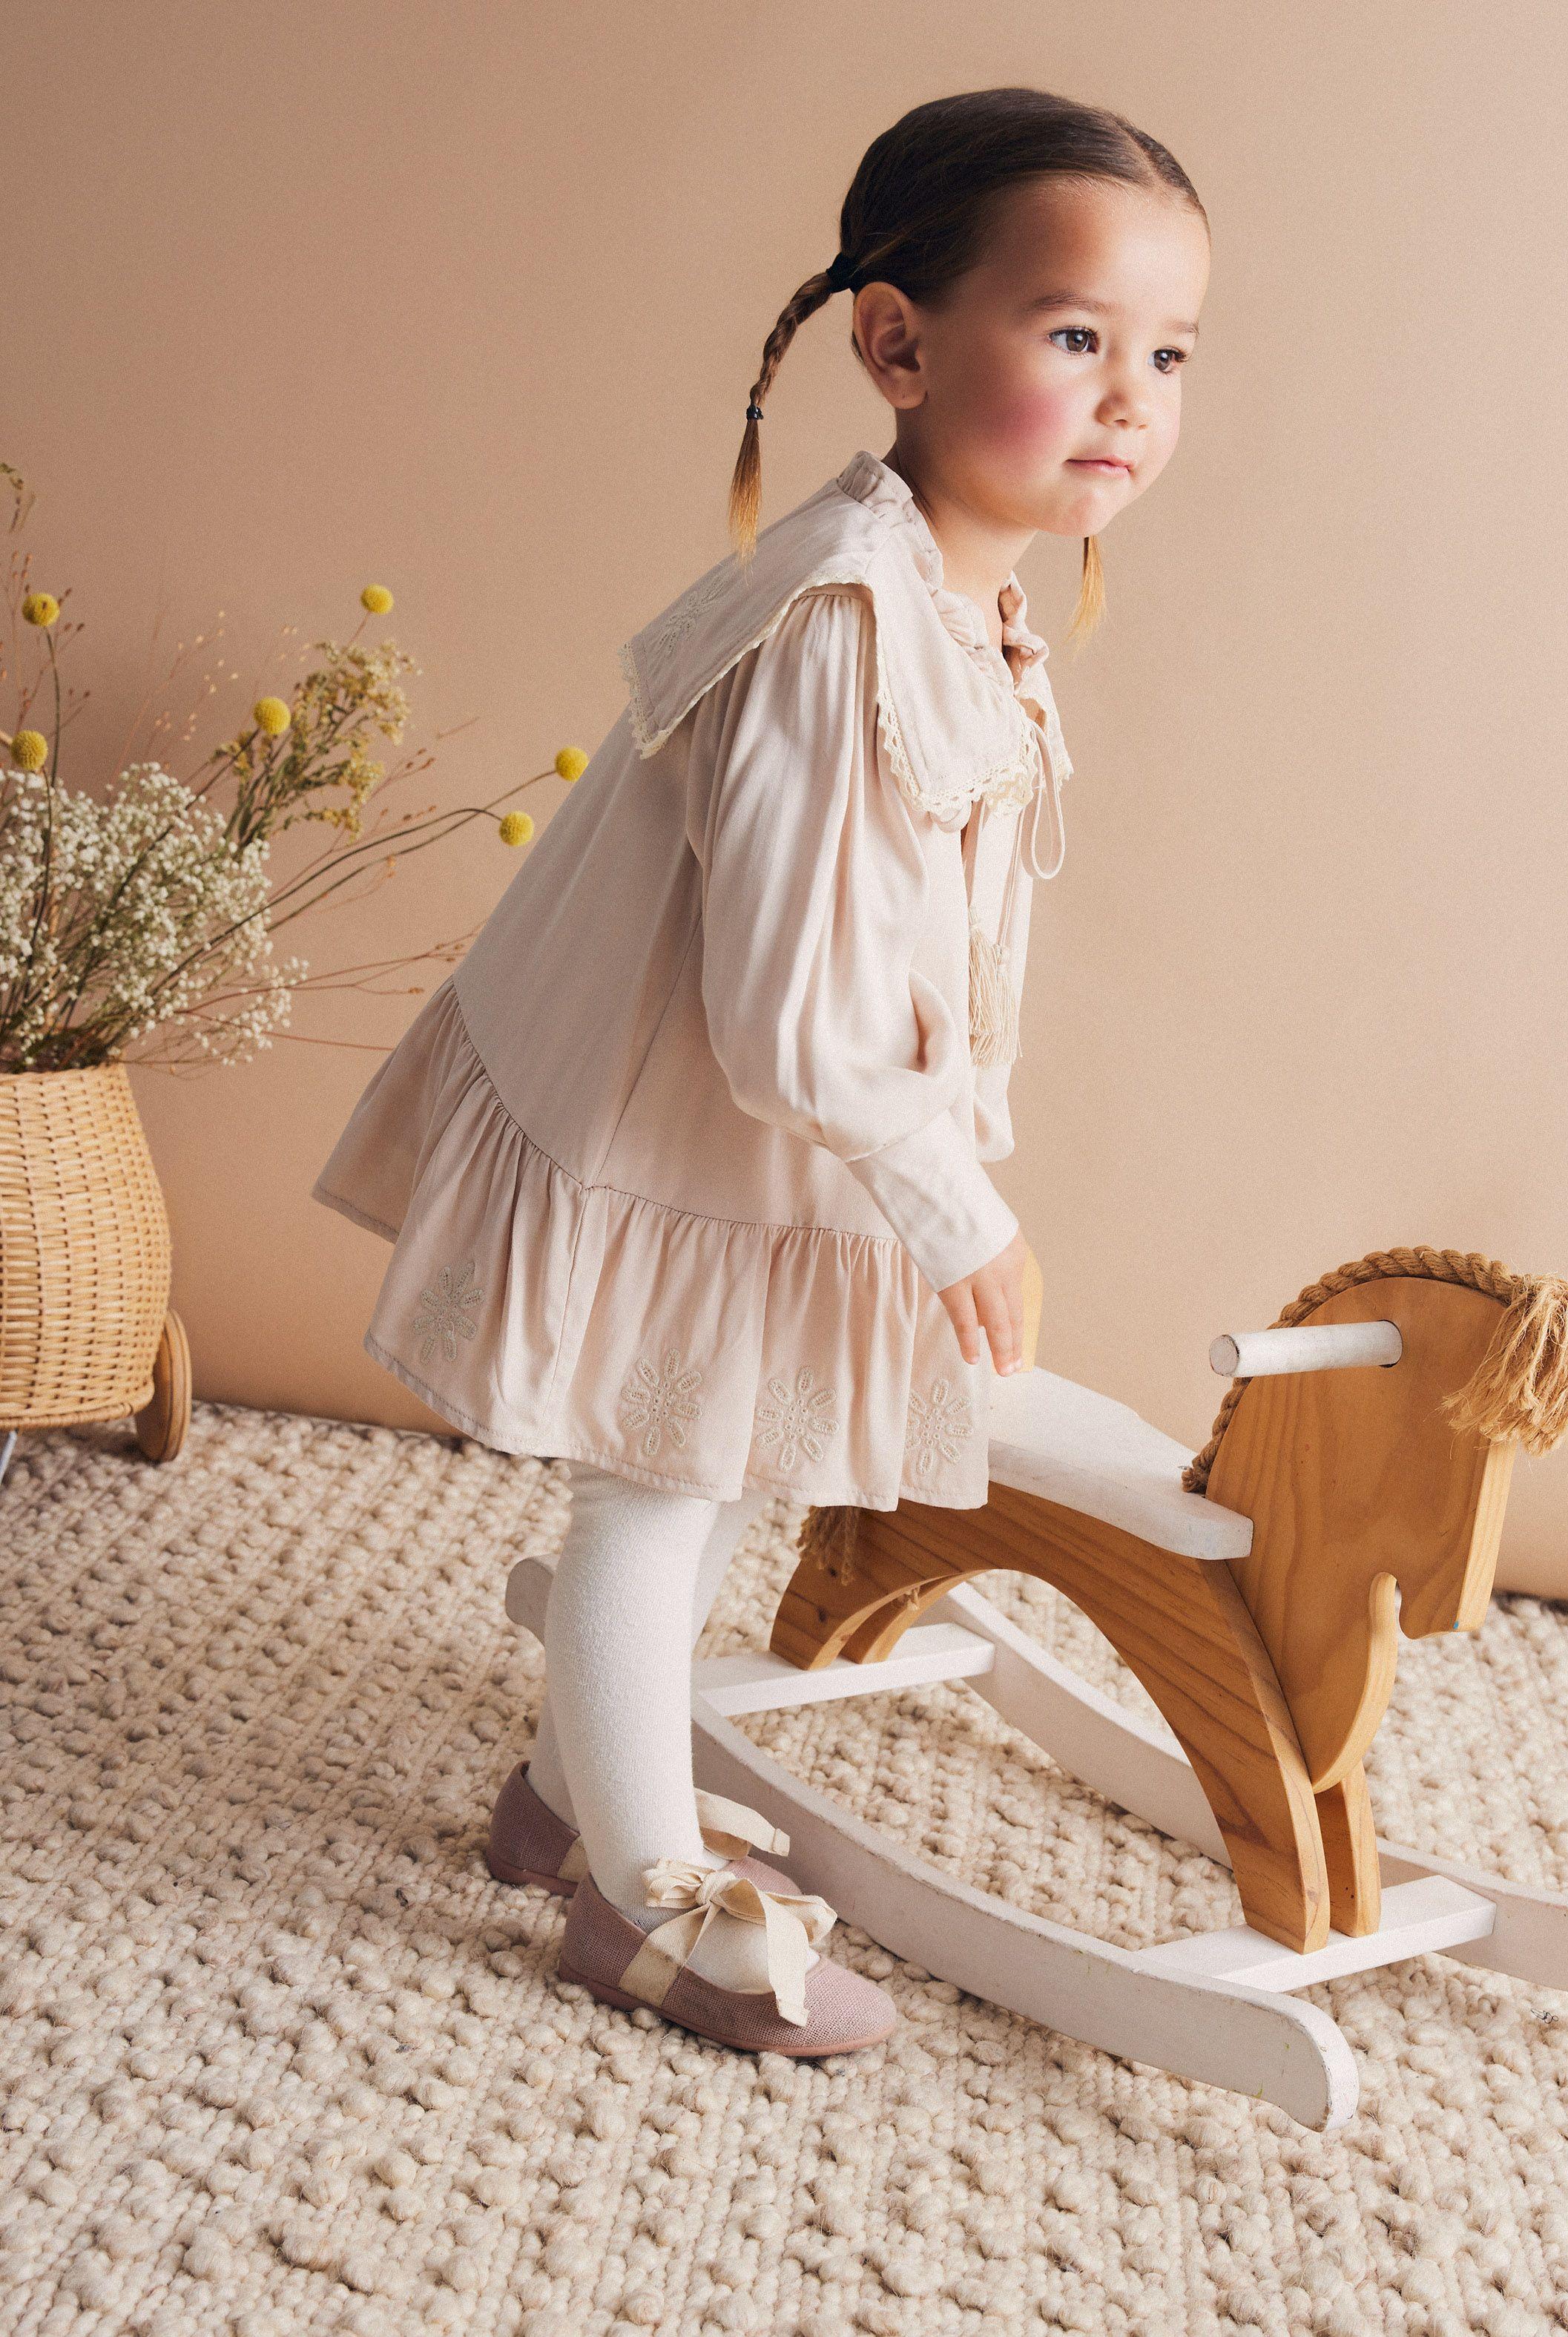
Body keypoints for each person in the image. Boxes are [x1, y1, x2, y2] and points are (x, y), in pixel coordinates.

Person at [311, 85, 1211, 2059]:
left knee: (715, 1463)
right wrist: (954, 1208)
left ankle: (574, 1787)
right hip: (696, 1130)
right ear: (898, 343)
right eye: (1075, 335)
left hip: (776, 1146)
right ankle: (637, 1895)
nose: (1130, 398)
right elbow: (794, 1010)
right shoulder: (840, 620)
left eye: (1167, 354)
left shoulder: (956, 600)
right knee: (662, 1486)